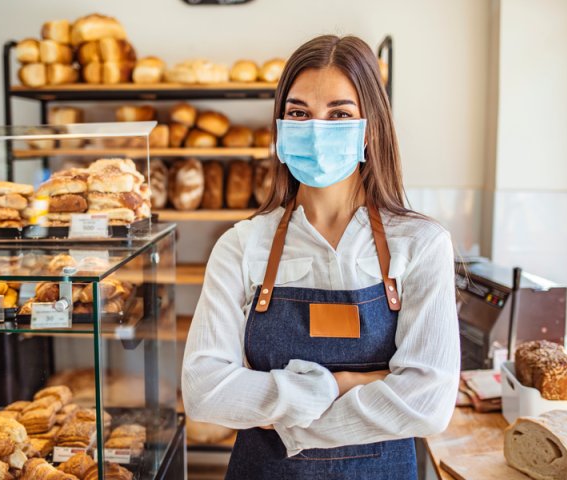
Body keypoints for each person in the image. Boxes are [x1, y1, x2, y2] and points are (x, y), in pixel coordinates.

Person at [181, 34, 460, 479]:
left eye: (339, 114)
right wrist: (337, 385)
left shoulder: (421, 244)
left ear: (370, 129)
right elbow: (205, 392)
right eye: (298, 113)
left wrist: (286, 419)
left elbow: (428, 403)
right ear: (280, 128)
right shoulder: (242, 245)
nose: (315, 129)